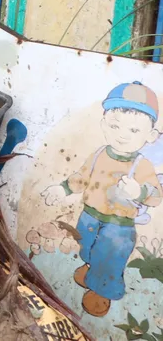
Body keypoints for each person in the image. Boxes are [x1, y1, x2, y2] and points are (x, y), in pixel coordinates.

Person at [40, 81, 162, 317]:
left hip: (119, 227)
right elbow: (81, 177)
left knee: (110, 259)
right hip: (90, 215)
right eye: (115, 126)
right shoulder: (98, 154)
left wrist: (139, 192)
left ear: (151, 135)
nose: (123, 136)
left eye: (134, 130)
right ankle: (89, 267)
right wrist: (62, 189)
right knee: (86, 246)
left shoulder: (142, 165)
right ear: (104, 123)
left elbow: (156, 196)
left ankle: (103, 291)